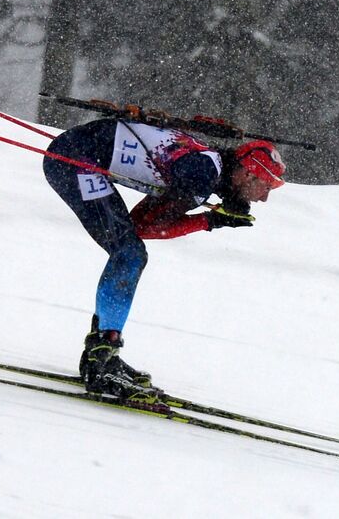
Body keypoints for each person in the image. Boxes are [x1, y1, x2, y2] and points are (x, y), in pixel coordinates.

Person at [43, 114, 287, 401]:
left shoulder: (207, 167)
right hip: (75, 159)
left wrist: (210, 218)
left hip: (79, 152)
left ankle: (100, 352)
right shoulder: (203, 173)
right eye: (266, 186)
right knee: (130, 253)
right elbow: (146, 227)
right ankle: (101, 358)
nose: (264, 198)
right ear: (248, 173)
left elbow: (141, 223)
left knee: (129, 251)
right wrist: (208, 221)